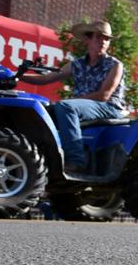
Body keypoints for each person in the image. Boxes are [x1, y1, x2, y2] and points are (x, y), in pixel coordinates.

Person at [18, 20, 125, 176]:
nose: (103, 41)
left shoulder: (115, 65)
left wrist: (73, 101)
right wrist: (17, 76)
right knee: (43, 111)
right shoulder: (77, 64)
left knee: (66, 107)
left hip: (108, 107)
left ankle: (76, 161)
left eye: (106, 38)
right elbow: (47, 78)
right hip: (82, 107)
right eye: (98, 37)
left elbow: (104, 96)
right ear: (87, 39)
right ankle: (37, 160)